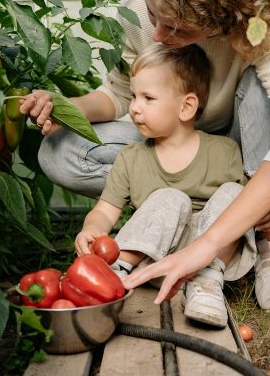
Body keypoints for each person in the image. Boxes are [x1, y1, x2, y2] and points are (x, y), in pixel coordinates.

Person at [20, 0, 270, 310]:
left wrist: (208, 246)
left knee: (266, 97)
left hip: (238, 149)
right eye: (155, 19)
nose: (160, 38)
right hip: (170, 138)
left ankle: (268, 247)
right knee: (60, 150)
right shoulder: (141, 6)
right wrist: (65, 108)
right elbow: (119, 94)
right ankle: (177, 216)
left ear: (224, 21)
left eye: (181, 31)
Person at [74, 44, 255, 327]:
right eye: (133, 96)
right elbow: (105, 211)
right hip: (151, 258)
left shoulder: (225, 152)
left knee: (236, 195)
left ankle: (206, 284)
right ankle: (118, 271)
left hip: (208, 258)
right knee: (172, 198)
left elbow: (247, 214)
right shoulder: (130, 158)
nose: (133, 107)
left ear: (186, 107)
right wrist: (91, 230)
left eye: (148, 98)